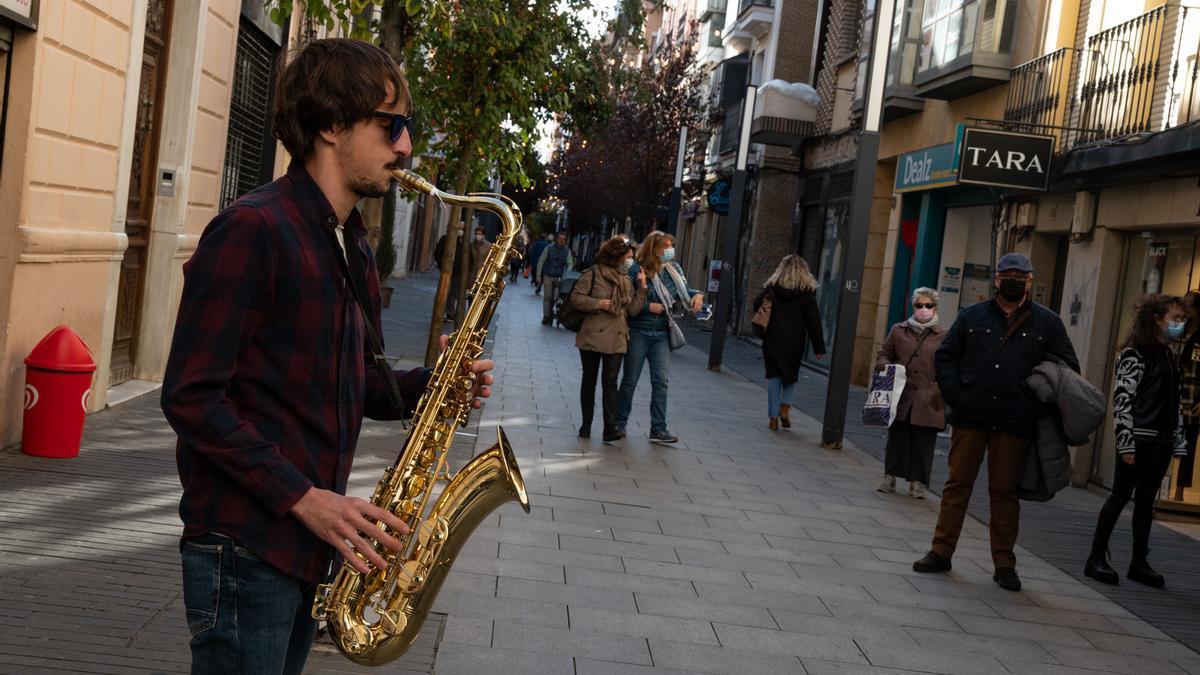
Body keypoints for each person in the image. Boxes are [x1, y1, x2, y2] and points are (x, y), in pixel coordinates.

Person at [160, 38, 495, 674]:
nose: (405, 146)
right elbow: (191, 396)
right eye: (391, 125)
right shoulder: (253, 229)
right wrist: (305, 498)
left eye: (408, 128)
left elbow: (353, 383)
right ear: (332, 125)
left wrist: (437, 383)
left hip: (301, 547)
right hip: (245, 544)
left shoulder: (351, 244)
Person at [912, 252, 1078, 592]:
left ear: (1030, 282)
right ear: (997, 280)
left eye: (1021, 276)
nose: (1014, 280)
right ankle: (941, 551)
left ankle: (1004, 563)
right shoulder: (973, 315)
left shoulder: (1047, 323)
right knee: (957, 484)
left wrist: (1034, 396)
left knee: (1004, 493)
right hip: (971, 416)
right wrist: (958, 394)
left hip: (1015, 420)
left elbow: (1066, 368)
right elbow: (946, 356)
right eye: (1008, 275)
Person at [1085, 294, 1188, 588]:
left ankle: (1139, 562)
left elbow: (1176, 401)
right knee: (1119, 496)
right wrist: (1126, 442)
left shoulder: (1169, 353)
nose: (1180, 324)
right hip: (1139, 438)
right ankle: (1096, 557)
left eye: (1182, 319)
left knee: (1145, 502)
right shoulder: (1135, 353)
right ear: (1156, 319)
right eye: (1175, 318)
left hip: (1161, 440)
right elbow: (1122, 401)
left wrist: (1177, 440)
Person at [615, 231, 704, 444]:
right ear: (654, 248)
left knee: (661, 382)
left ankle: (658, 428)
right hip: (639, 331)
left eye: (671, 246)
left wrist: (698, 294)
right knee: (630, 380)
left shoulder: (674, 270)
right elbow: (627, 300)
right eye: (665, 246)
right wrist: (647, 306)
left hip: (662, 333)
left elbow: (684, 290)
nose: (669, 250)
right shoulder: (636, 269)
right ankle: (619, 423)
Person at [571, 237, 647, 442]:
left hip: (617, 338)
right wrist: (598, 303)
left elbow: (632, 310)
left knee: (610, 383)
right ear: (617, 256)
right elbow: (576, 298)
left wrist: (642, 288)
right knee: (589, 381)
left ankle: (609, 428)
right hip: (593, 335)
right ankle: (586, 425)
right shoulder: (594, 273)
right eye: (629, 257)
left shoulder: (626, 279)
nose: (631, 261)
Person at [874, 288, 947, 499]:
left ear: (935, 308)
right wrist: (886, 366)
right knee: (898, 437)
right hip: (901, 393)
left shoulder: (943, 335)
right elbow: (883, 354)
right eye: (919, 305)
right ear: (913, 307)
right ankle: (889, 477)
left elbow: (948, 364)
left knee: (924, 441)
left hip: (929, 396)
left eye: (928, 306)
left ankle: (918, 483)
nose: (923, 310)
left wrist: (940, 386)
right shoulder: (898, 330)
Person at [752, 255, 825, 432]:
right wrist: (818, 347)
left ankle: (773, 417)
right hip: (794, 341)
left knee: (774, 376)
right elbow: (813, 321)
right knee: (790, 375)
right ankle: (785, 408)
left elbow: (756, 305)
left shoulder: (773, 288)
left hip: (772, 338)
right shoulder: (807, 292)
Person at [1176, 290, 1200, 499]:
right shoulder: (1180, 330)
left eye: (1189, 305)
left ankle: (1180, 490)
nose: (1185, 308)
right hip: (1175, 392)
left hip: (1193, 397)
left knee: (1188, 443)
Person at [537, 232, 575, 325]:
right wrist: (538, 276)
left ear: (565, 241)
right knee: (547, 297)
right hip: (548, 276)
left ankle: (549, 313)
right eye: (560, 238)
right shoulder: (548, 248)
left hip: (559, 277)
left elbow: (570, 263)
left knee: (555, 297)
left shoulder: (567, 251)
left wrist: (567, 273)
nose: (561, 240)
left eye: (563, 239)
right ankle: (546, 316)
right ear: (557, 239)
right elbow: (541, 261)